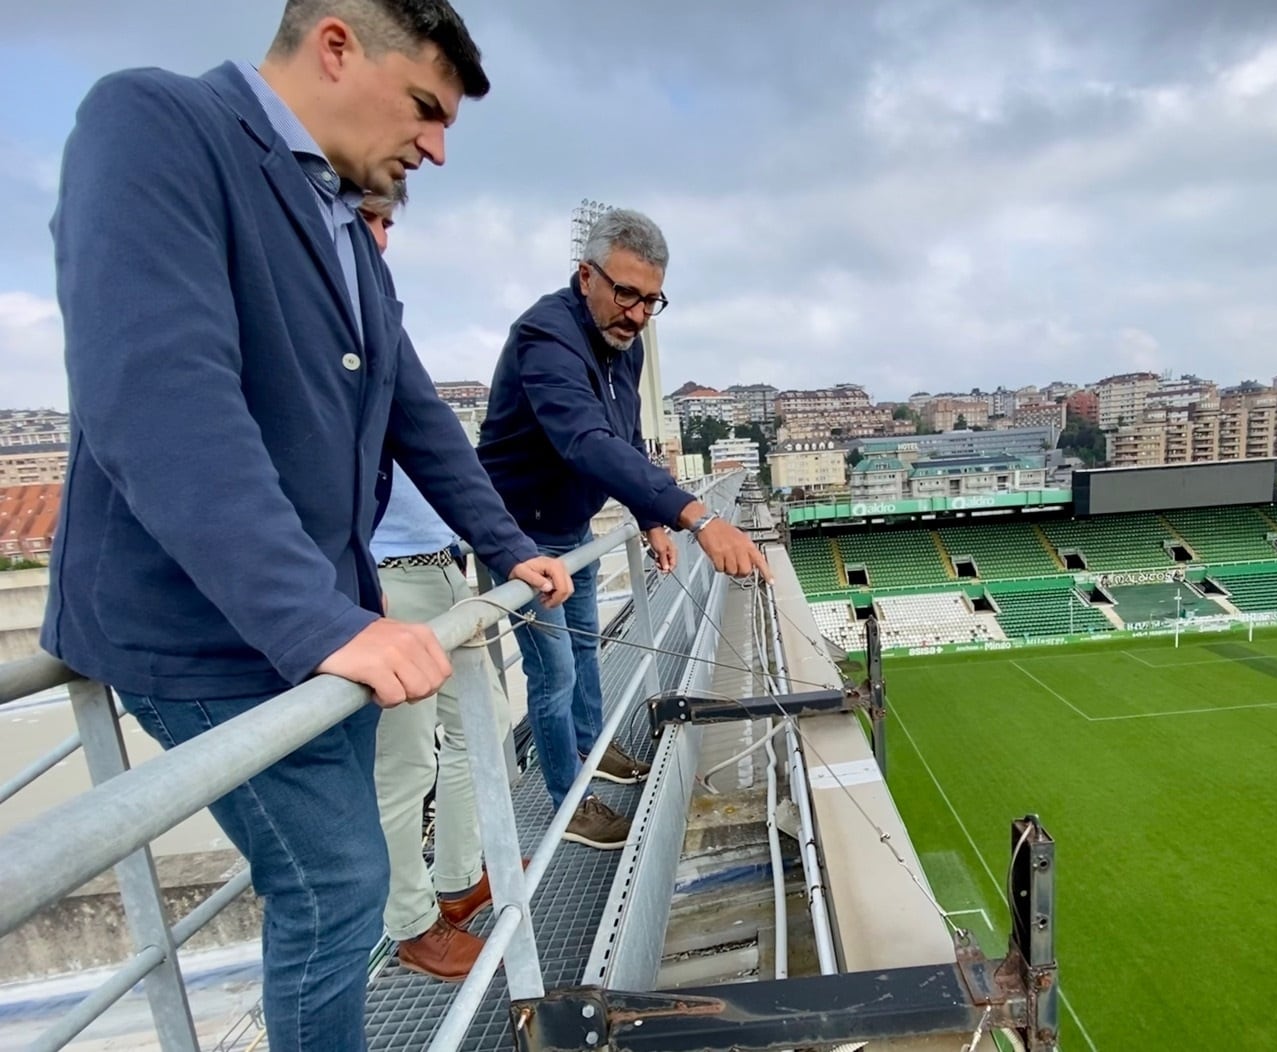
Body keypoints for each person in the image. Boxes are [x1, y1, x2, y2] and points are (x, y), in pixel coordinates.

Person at [44, 3, 572, 1047]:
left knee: (343, 876)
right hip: (200, 629)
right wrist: (317, 619)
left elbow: (413, 410)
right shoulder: (151, 117)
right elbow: (160, 391)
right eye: (426, 106)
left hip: (304, 619)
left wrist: (507, 544)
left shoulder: (334, 208)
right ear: (335, 45)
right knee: (336, 882)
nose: (434, 145)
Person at [478, 209, 770, 850]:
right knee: (552, 672)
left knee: (583, 654)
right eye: (627, 294)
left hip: (573, 525)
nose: (637, 314)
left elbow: (626, 439)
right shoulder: (546, 337)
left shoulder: (623, 344)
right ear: (586, 277)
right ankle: (570, 804)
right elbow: (584, 440)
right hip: (521, 538)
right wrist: (696, 516)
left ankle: (590, 749)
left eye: (651, 300)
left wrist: (649, 518)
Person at [359, 184, 513, 982]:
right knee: (407, 761)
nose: (379, 239)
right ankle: (413, 922)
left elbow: (441, 457)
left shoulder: (374, 318)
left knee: (476, 727)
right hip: (389, 582)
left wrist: (507, 551)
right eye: (368, 220)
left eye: (387, 222)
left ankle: (456, 882)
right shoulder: (321, 326)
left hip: (444, 573)